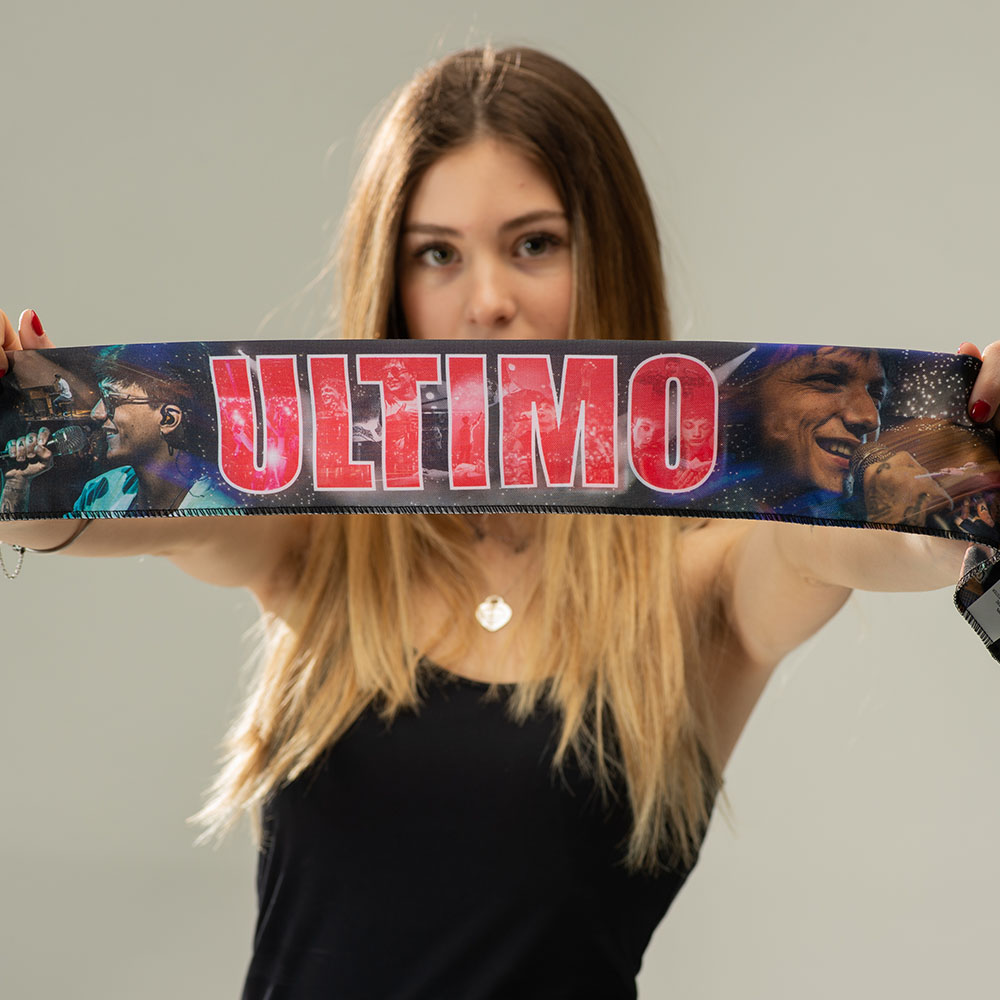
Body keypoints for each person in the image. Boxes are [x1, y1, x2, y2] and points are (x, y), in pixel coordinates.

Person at [0, 46, 996, 998]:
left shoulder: (705, 577)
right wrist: (17, 440)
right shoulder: (320, 538)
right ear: (392, 287)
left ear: (607, 258)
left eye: (534, 245)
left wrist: (961, 477)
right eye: (436, 254)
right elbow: (82, 507)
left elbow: (858, 539)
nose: (487, 303)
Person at [1, 343, 235, 514]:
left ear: (168, 419)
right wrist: (17, 481)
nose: (97, 413)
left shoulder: (218, 508)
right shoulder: (101, 491)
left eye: (112, 400)